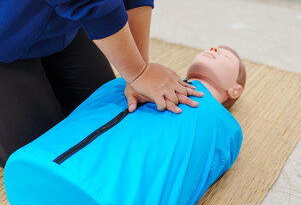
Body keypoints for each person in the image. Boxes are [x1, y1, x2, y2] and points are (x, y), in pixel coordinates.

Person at [0, 0, 202, 168]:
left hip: (61, 18)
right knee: (39, 162)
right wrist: (138, 73)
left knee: (110, 127)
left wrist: (140, 70)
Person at [4, 45, 246, 205]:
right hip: (37, 167)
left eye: (225, 55)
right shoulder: (126, 83)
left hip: (63, 181)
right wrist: (138, 75)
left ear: (236, 89)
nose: (214, 49)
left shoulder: (225, 128)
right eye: (213, 47)